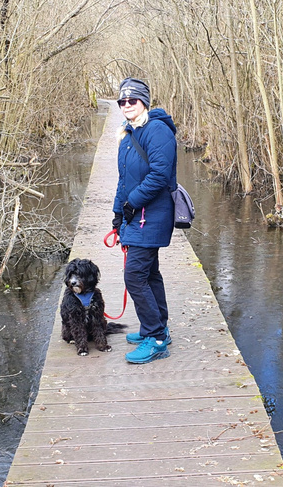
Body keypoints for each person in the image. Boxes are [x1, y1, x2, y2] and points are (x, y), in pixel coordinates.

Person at [111, 78, 178, 364]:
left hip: (151, 216)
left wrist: (131, 204)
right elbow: (123, 180)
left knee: (134, 275)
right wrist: (117, 213)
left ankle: (156, 338)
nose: (127, 105)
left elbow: (159, 177)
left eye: (132, 101)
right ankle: (159, 326)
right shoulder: (127, 134)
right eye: (122, 102)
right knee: (149, 273)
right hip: (134, 217)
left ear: (144, 102)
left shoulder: (158, 131)